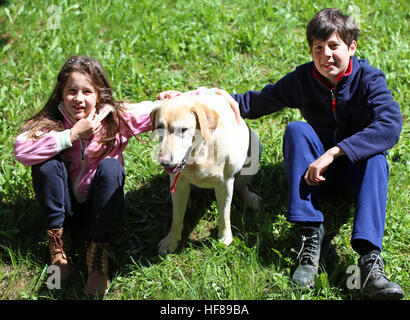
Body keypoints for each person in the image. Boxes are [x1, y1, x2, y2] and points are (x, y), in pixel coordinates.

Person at [159, 8, 404, 299]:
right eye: (318, 47)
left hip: (354, 174)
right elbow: (257, 102)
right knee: (297, 130)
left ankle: (369, 262)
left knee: (377, 158)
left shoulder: (369, 79)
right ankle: (310, 237)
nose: (326, 54)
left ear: (352, 47)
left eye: (334, 46)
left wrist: (335, 153)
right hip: (314, 175)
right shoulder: (304, 79)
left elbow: (390, 125)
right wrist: (194, 98)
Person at [14, 55, 157, 296]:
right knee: (44, 165)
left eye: (87, 92)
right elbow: (21, 150)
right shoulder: (53, 122)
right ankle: (58, 246)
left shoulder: (115, 118)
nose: (79, 98)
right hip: (65, 210)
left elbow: (156, 109)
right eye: (71, 91)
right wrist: (70, 136)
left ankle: (98, 251)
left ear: (99, 95)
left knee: (111, 167)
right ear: (61, 93)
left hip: (100, 210)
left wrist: (183, 97)